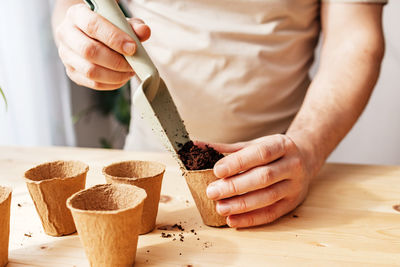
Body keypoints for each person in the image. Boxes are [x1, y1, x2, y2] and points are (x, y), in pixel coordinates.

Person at [52, 0, 387, 228]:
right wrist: (76, 37)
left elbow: (353, 38)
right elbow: (70, 6)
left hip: (281, 176)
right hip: (151, 177)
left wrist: (308, 149)